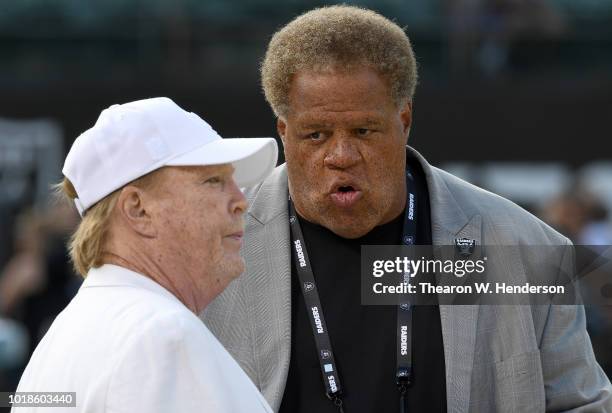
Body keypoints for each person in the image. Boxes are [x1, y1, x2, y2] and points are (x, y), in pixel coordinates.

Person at [201, 6, 612, 413]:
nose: (341, 155)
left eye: (363, 130)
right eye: (316, 134)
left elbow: (582, 403)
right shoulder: (207, 246)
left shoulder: (522, 248)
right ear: (284, 132)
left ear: (404, 119)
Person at [14, 97, 277, 413]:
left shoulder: (61, 339)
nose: (240, 201)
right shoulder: (162, 336)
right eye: (213, 180)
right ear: (137, 209)